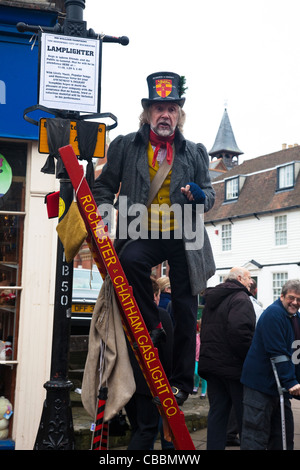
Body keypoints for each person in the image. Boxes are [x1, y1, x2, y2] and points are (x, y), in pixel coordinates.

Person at [93, 71, 215, 405]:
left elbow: (212, 195)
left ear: (180, 114)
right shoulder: (126, 146)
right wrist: (104, 218)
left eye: (172, 109)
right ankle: (151, 326)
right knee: (130, 260)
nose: (165, 115)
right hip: (142, 230)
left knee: (188, 308)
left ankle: (181, 382)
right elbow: (103, 186)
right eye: (159, 108)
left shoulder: (195, 153)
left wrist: (201, 195)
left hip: (184, 234)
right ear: (147, 113)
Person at [197, 267, 256, 449]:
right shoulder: (241, 298)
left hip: (212, 366)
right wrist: (249, 359)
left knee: (218, 413)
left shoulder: (213, 299)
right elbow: (240, 333)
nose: (251, 282)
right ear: (239, 278)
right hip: (233, 368)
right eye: (248, 278)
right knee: (244, 415)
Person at [240, 279, 300, 450]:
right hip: (260, 384)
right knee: (255, 436)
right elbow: (278, 352)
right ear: (281, 296)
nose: (295, 302)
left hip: (278, 385)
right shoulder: (273, 314)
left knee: (283, 437)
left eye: (299, 299)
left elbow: (297, 353)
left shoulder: (296, 318)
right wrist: (291, 382)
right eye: (291, 297)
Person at [125, 277, 174, 450]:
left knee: (138, 429)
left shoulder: (127, 316)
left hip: (127, 382)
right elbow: (168, 354)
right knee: (148, 430)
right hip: (150, 383)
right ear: (154, 296)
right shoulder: (160, 315)